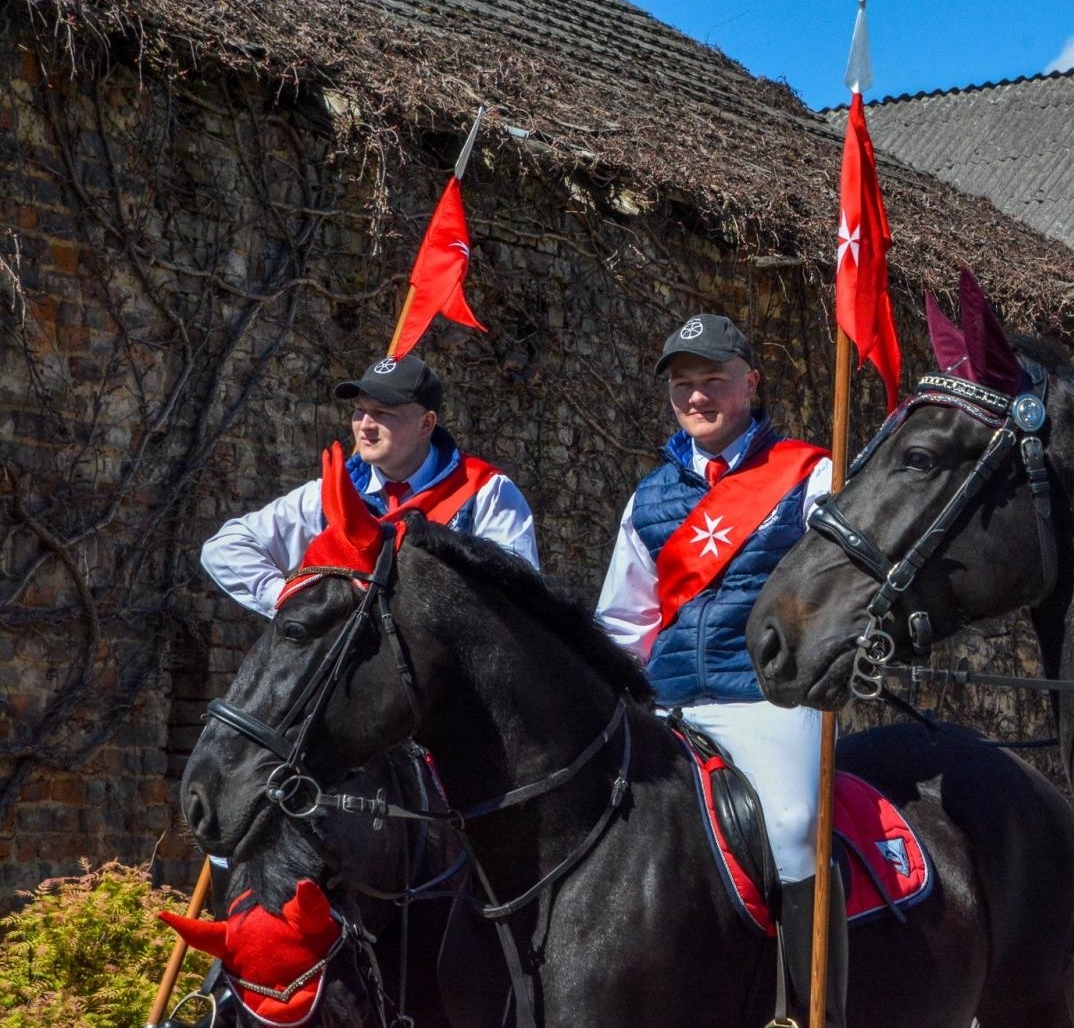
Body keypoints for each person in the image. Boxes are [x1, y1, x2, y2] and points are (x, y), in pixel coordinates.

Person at [594, 313, 844, 1024]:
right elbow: (623, 622)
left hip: (766, 699)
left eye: (712, 380)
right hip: (669, 705)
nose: (696, 397)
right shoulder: (648, 497)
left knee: (794, 827)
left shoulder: (810, 474)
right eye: (683, 385)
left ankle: (812, 1011)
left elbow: (837, 590)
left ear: (750, 383)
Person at [203, 353, 539, 616]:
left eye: (383, 413)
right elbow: (226, 547)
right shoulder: (333, 493)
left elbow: (519, 598)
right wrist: (287, 600)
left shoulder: (484, 491)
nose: (365, 425)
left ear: (426, 423)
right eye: (360, 410)